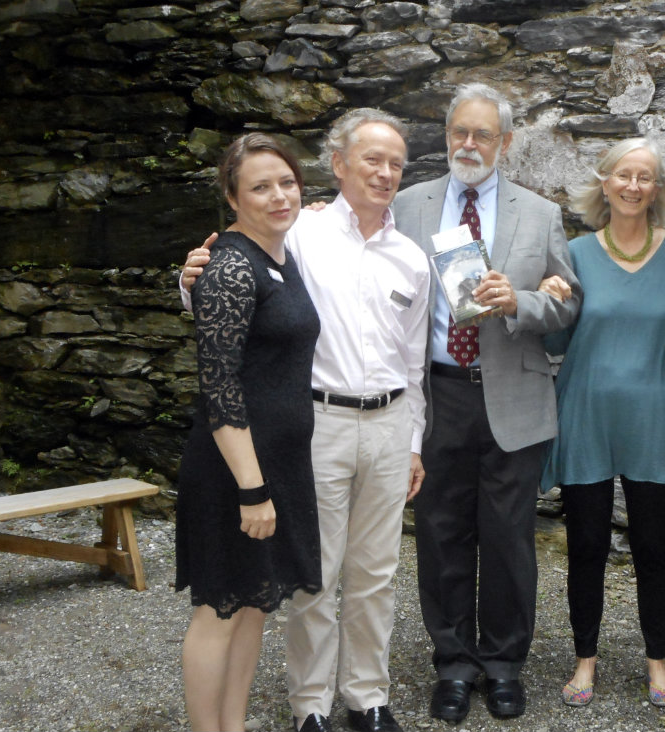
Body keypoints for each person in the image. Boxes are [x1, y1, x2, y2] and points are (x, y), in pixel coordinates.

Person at [181, 109, 431, 732]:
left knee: (376, 571)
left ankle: (367, 696)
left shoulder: (412, 258)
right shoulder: (301, 232)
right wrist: (187, 280)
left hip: (390, 423)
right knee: (310, 572)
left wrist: (414, 443)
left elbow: (414, 357)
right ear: (339, 165)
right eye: (371, 159)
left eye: (396, 163)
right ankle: (310, 706)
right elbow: (226, 283)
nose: (385, 172)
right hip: (317, 423)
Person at [389, 82, 582, 724]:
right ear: (447, 135)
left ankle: (502, 664)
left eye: (482, 134)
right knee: (440, 534)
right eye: (458, 132)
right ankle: (452, 663)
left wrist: (521, 303)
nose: (468, 145)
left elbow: (567, 303)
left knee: (507, 539)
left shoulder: (540, 213)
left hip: (513, 398)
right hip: (436, 394)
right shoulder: (409, 204)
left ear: (505, 142)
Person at [537, 138, 665, 710]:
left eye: (645, 178)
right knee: (585, 545)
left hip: (653, 417)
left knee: (654, 547)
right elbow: (555, 339)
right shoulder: (576, 254)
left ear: (657, 190)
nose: (633, 186)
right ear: (604, 183)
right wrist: (550, 297)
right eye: (623, 175)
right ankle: (585, 660)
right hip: (585, 415)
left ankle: (657, 660)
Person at [175, 132, 322, 732]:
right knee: (218, 611)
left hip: (277, 464)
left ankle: (233, 725)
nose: (278, 195)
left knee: (256, 605)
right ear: (232, 198)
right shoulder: (232, 266)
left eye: (286, 181)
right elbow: (221, 387)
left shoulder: (279, 256)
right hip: (236, 472)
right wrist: (251, 489)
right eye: (260, 186)